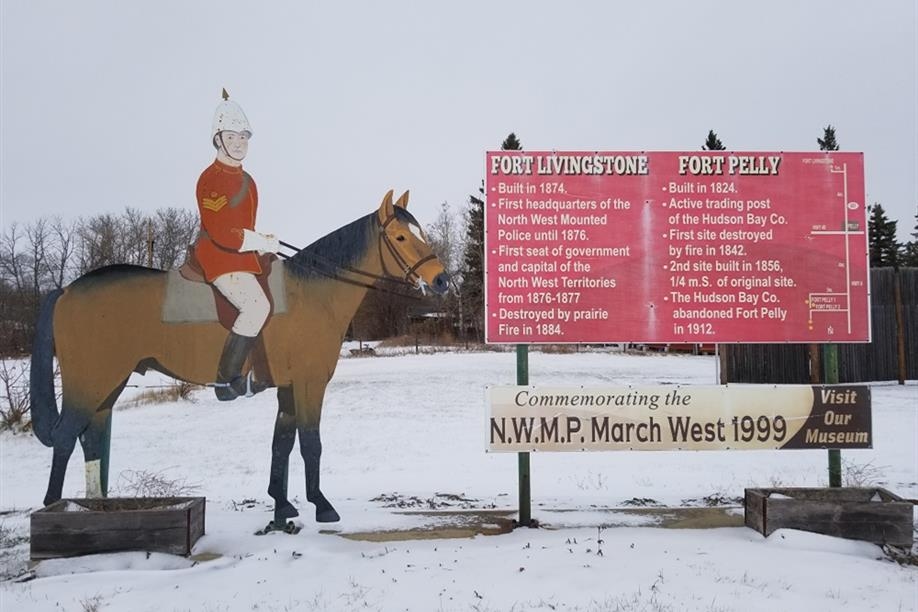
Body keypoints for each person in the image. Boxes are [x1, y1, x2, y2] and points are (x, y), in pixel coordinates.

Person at [194, 91, 279, 400]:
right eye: (233, 136)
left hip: (243, 258)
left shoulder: (249, 181)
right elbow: (221, 232)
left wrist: (262, 246)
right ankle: (224, 380)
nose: (240, 142)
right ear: (218, 139)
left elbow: (245, 227)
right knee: (257, 306)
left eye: (244, 136)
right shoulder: (210, 179)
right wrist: (258, 240)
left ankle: (264, 370)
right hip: (217, 256)